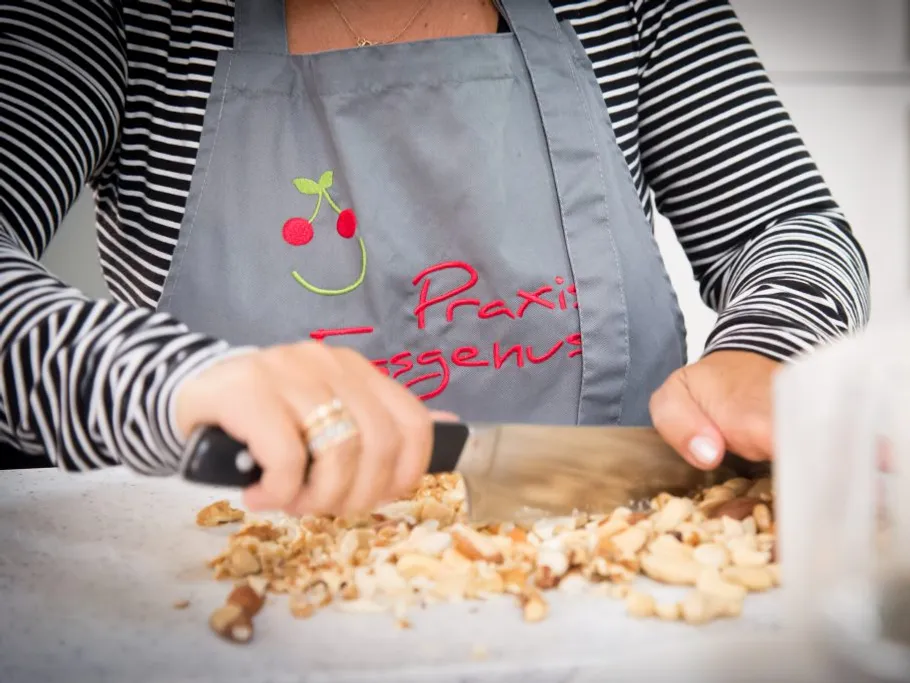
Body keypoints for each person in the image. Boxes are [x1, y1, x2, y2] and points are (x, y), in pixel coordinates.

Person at [0, 0, 869, 516]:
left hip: (611, 565)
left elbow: (787, 224)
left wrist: (766, 348)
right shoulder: (125, 18)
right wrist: (172, 382)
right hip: (240, 583)